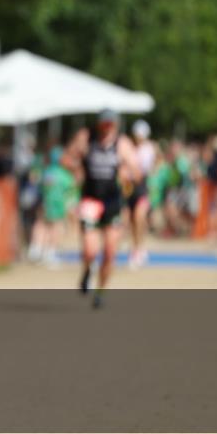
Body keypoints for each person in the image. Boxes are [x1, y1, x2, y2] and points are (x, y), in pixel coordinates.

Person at [63, 110, 140, 309]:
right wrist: (76, 168)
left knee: (109, 251)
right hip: (90, 200)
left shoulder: (122, 144)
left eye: (111, 125)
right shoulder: (86, 138)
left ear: (115, 125)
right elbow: (65, 159)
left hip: (112, 203)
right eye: (104, 125)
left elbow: (138, 172)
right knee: (90, 251)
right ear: (99, 124)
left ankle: (101, 292)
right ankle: (87, 270)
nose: (107, 129)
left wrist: (127, 173)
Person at [126, 119, 156, 268]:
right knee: (131, 221)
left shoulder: (148, 149)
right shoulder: (129, 147)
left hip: (141, 187)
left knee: (139, 218)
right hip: (129, 187)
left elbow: (145, 169)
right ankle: (136, 247)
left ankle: (138, 249)